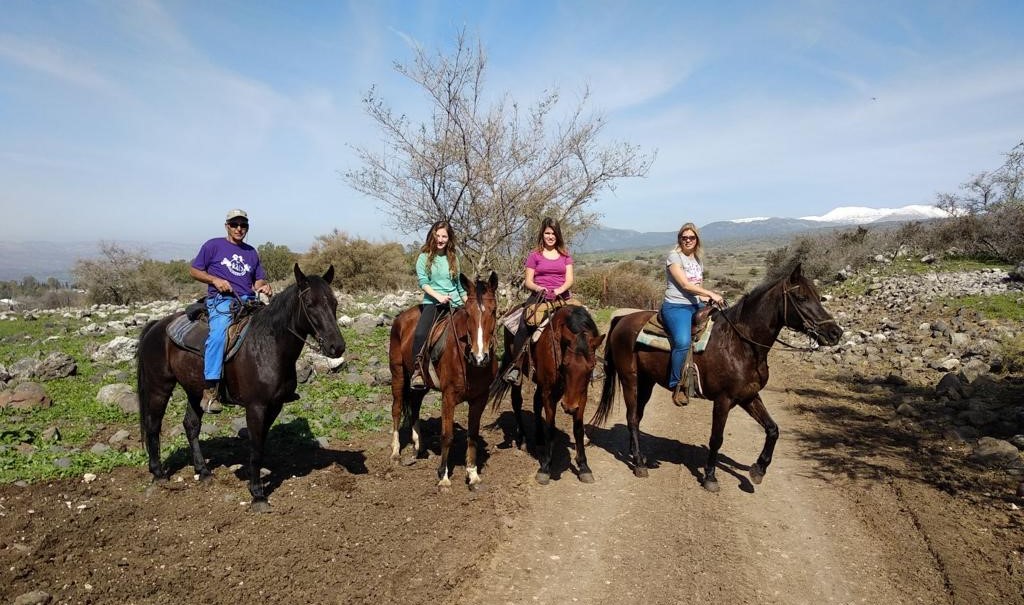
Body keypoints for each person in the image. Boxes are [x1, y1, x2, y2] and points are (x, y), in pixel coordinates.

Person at [189, 209, 272, 413]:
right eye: (234, 224)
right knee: (218, 336)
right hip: (223, 301)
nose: (239, 228)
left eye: (243, 225)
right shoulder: (213, 245)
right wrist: (214, 280)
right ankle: (211, 390)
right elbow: (194, 270)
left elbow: (257, 278)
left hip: (249, 301)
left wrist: (263, 286)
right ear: (227, 225)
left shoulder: (252, 252)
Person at [502, 217, 575, 385]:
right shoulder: (534, 255)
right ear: (542, 234)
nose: (550, 236)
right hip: (538, 297)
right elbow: (528, 280)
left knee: (583, 324)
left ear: (558, 235)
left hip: (562, 297)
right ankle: (516, 367)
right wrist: (538, 288)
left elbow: (569, 279)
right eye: (547, 233)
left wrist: (559, 290)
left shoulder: (565, 256)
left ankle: (586, 364)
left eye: (553, 233)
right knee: (523, 325)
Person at [662, 222, 723, 406]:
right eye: (684, 237)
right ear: (679, 239)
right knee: (682, 341)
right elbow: (685, 285)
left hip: (695, 305)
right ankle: (676, 384)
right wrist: (710, 293)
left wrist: (707, 299)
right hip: (676, 307)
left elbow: (697, 287)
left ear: (697, 240)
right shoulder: (674, 257)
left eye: (691, 237)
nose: (688, 240)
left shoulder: (697, 260)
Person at [409, 220, 467, 390]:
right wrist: (439, 297)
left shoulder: (454, 258)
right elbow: (423, 283)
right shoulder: (424, 257)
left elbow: (458, 286)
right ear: (432, 236)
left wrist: (467, 303)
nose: (441, 239)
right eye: (438, 236)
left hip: (455, 304)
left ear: (449, 239)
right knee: (420, 334)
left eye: (444, 236)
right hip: (433, 303)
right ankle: (418, 371)